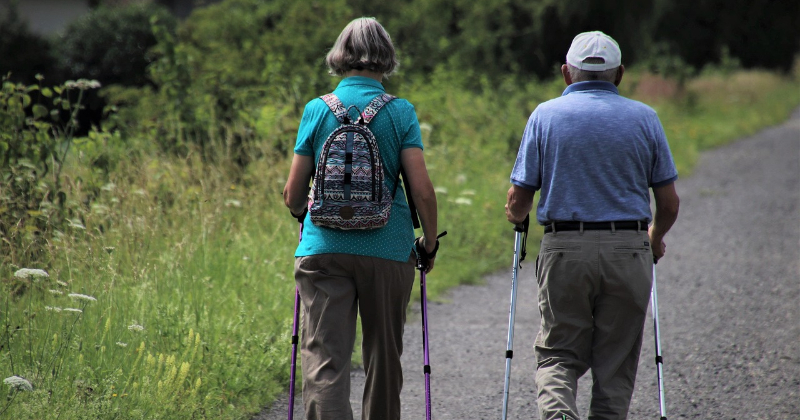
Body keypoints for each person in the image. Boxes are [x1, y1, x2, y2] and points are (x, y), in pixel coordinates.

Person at [505, 31, 680, 419]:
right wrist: (654, 238)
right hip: (629, 249)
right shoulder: (645, 118)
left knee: (557, 356)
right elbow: (668, 203)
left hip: (565, 249)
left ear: (567, 73)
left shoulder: (545, 116)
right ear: (619, 75)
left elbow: (518, 200)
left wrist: (516, 217)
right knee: (615, 367)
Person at [282, 17, 439, 420]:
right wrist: (429, 243)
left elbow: (293, 194)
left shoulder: (317, 110)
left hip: (324, 250)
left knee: (325, 360)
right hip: (387, 249)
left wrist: (305, 216)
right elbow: (421, 190)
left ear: (340, 57)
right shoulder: (400, 112)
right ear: (385, 59)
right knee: (383, 359)